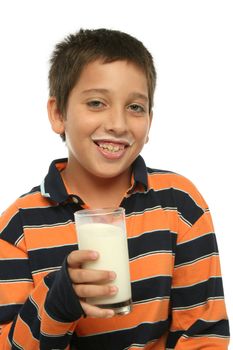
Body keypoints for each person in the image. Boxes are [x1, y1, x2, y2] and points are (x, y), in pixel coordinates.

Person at [0, 28, 230, 349]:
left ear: (150, 120)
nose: (118, 124)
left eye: (135, 107)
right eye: (96, 102)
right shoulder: (18, 227)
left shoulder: (180, 206)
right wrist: (56, 303)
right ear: (57, 114)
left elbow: (203, 335)